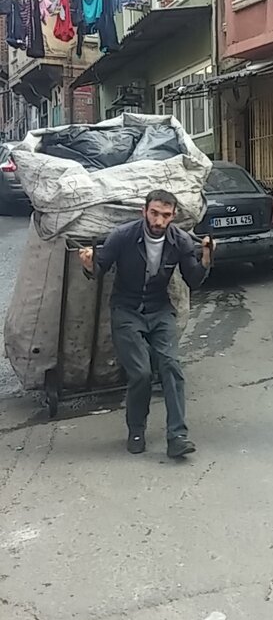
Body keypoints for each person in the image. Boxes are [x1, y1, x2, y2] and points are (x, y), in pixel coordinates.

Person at [78, 189, 214, 458]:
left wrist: (207, 259)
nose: (159, 221)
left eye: (165, 215)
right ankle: (136, 429)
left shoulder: (181, 241)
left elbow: (193, 280)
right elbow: (100, 268)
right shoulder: (123, 236)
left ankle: (177, 436)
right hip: (126, 310)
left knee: (171, 367)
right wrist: (89, 264)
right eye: (154, 213)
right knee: (140, 373)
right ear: (144, 211)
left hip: (160, 308)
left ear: (173, 216)